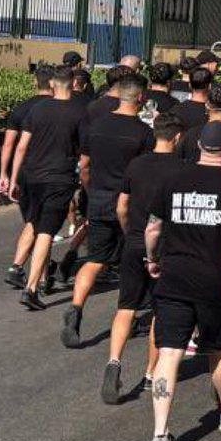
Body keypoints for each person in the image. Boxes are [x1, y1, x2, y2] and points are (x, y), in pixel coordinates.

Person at [144, 122, 221, 441]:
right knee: (219, 351)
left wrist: (152, 259)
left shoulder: (172, 180)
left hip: (174, 278)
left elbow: (153, 228)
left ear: (198, 148)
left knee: (169, 354)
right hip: (217, 282)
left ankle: (160, 434)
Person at [60, 76, 154, 348]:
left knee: (95, 259)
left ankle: (76, 308)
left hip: (99, 199)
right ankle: (129, 316)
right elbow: (145, 173)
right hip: (130, 205)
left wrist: (92, 192)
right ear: (141, 98)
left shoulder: (97, 126)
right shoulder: (143, 133)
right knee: (131, 264)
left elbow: (85, 166)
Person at [102, 113, 186, 404]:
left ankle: (114, 361)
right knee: (159, 312)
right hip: (164, 248)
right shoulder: (182, 169)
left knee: (126, 306)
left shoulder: (136, 164)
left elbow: (121, 207)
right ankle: (150, 373)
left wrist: (129, 233)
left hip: (134, 241)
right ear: (177, 137)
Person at [7, 66, 86, 310]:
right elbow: (85, 154)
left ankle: (23, 270)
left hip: (31, 177)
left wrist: (13, 179)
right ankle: (32, 288)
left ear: (52, 84)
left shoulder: (38, 109)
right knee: (46, 232)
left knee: (34, 222)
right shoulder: (80, 112)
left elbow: (21, 146)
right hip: (59, 178)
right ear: (73, 83)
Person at [0, 66, 53, 289]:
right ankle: (28, 272)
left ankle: (39, 274)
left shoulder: (21, 109)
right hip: (48, 172)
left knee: (36, 222)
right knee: (43, 225)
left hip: (23, 173)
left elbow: (8, 144)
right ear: (53, 83)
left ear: (34, 82)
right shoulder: (56, 109)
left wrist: (4, 174)